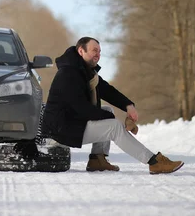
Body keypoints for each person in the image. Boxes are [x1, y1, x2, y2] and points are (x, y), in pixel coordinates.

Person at [41, 37, 184, 174]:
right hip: (59, 129)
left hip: (70, 122)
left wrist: (128, 106)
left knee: (107, 110)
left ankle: (97, 159)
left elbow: (107, 90)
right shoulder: (68, 74)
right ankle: (154, 162)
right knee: (113, 126)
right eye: (94, 50)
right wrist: (111, 118)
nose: (98, 54)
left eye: (99, 51)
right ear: (81, 51)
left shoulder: (84, 70)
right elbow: (81, 109)